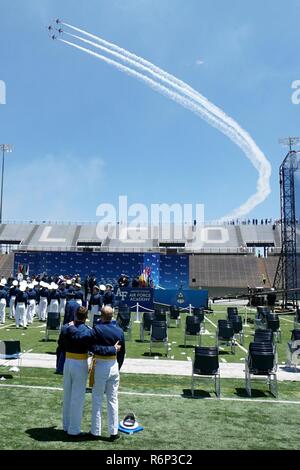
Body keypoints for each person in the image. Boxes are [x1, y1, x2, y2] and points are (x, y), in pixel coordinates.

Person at [59, 306, 119, 436]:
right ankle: (74, 430)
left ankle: (66, 425)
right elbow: (92, 347)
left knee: (67, 395)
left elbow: (60, 346)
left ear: (75, 314)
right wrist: (112, 350)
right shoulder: (87, 330)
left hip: (67, 362)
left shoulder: (65, 327)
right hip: (80, 363)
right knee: (78, 397)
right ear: (87, 317)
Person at [90, 306, 125, 440]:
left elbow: (93, 348)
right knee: (113, 400)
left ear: (102, 316)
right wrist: (116, 365)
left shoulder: (97, 329)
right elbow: (122, 353)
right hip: (114, 365)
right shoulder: (119, 330)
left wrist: (110, 350)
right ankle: (113, 432)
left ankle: (95, 431)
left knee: (97, 398)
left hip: (101, 364)